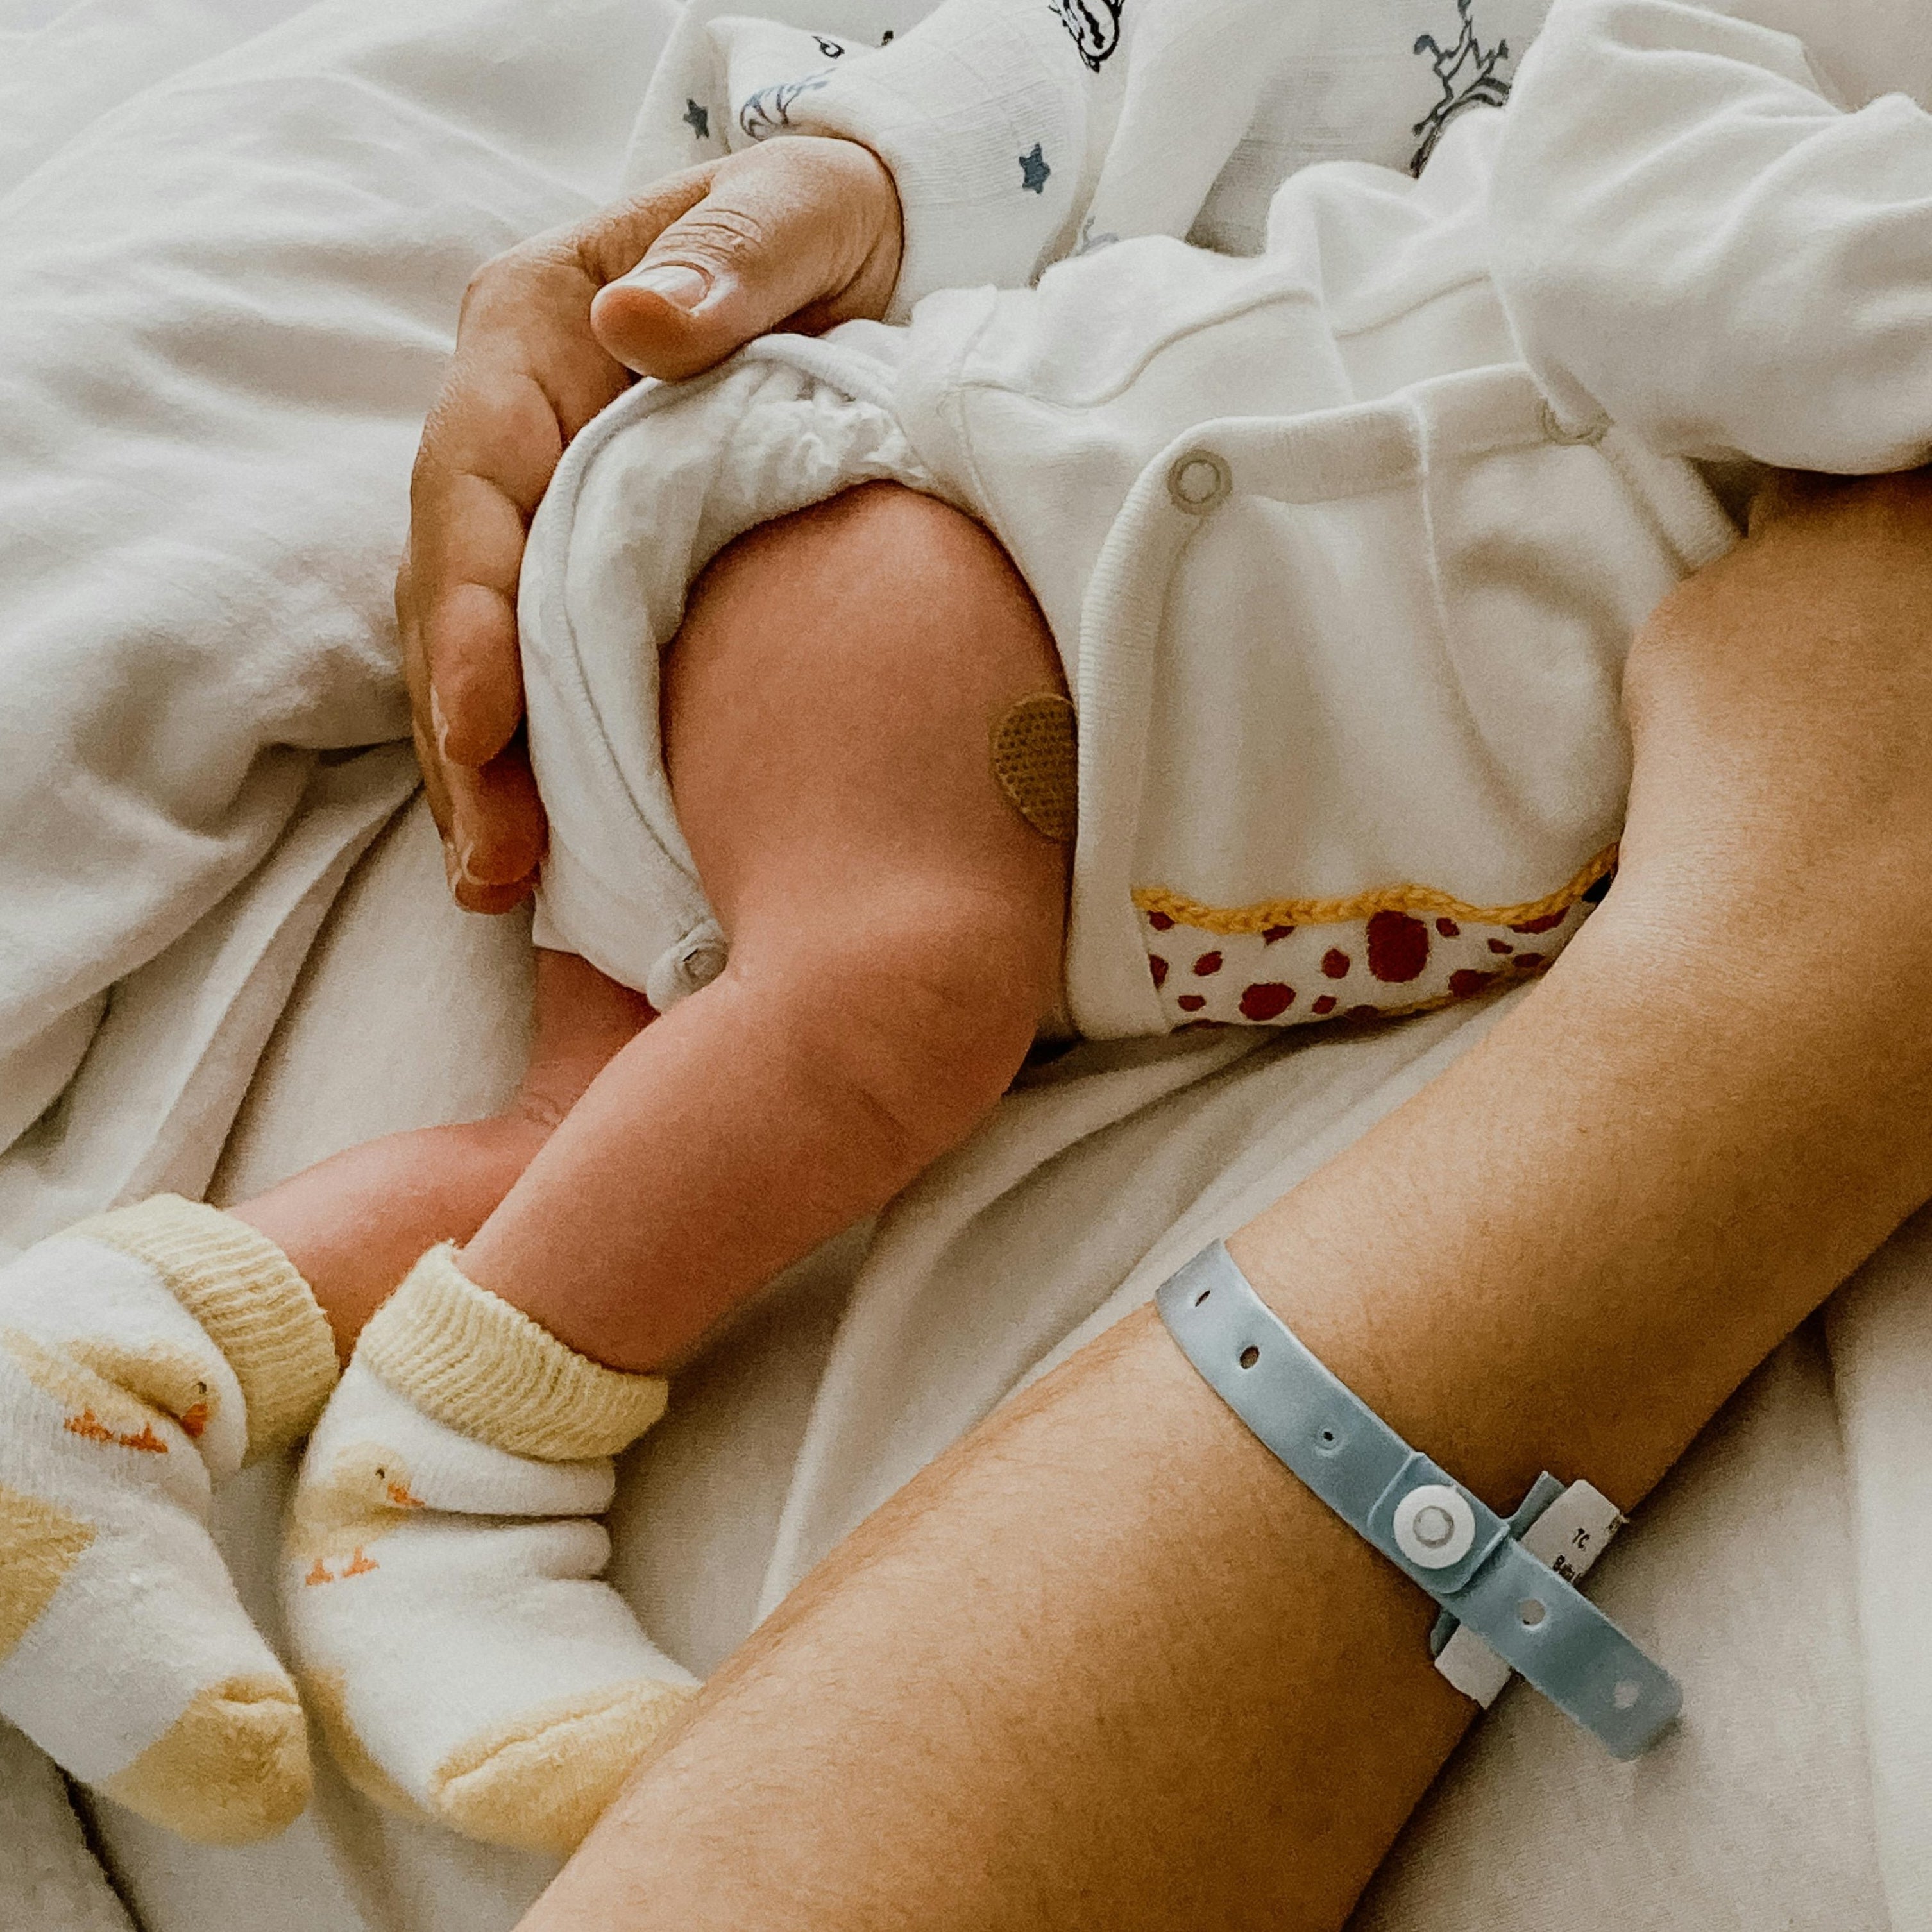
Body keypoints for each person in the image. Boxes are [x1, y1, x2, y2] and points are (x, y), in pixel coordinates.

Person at [0, 0, 1925, 1885]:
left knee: (594, 1154)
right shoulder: (1769, 139)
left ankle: (106, 1368)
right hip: (942, 535)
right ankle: (449, 1506)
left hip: (994, 714)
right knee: (892, 1005)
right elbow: (1616, 179)